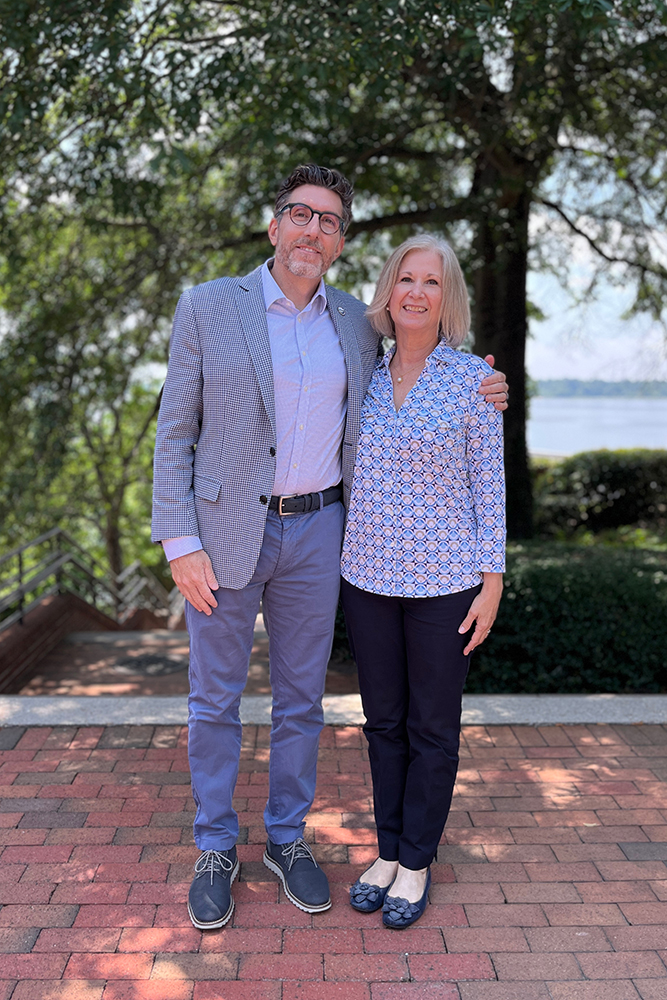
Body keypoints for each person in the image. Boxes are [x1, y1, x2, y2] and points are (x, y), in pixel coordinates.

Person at [151, 165, 508, 930]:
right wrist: (179, 539)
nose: (313, 231)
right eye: (300, 215)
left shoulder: (354, 322)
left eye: (330, 222)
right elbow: (174, 430)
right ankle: (216, 846)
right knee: (213, 699)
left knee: (301, 703)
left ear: (341, 244)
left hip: (321, 535)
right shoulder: (210, 306)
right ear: (274, 225)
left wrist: (488, 385)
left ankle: (286, 839)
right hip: (222, 535)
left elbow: (432, 359)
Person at [341, 234, 506, 929]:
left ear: (448, 299)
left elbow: (487, 489)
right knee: (382, 724)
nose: (415, 291)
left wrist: (491, 582)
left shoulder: (473, 381)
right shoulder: (362, 374)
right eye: (404, 278)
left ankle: (416, 861)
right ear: (387, 290)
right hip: (367, 576)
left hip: (445, 584)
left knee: (432, 728)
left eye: (430, 283)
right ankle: (385, 850)